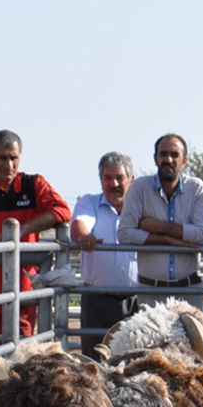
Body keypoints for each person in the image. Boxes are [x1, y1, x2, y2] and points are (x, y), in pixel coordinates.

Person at [0, 129, 72, 359]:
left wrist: (23, 229)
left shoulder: (34, 184)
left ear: (20, 157)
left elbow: (62, 211)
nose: (8, 164)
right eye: (2, 158)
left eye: (13, 158)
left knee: (20, 359)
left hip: (22, 291)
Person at [116, 133, 203, 311]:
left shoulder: (196, 188)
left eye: (175, 155)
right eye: (163, 154)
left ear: (184, 161)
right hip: (150, 290)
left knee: (191, 339)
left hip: (188, 290)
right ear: (155, 159)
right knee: (149, 339)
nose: (168, 159)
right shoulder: (140, 187)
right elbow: (124, 234)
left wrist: (158, 227)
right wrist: (167, 240)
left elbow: (202, 235)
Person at [72, 152, 139, 355]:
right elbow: (80, 223)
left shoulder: (141, 208)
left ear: (132, 180)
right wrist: (84, 236)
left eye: (119, 177)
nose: (114, 184)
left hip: (136, 300)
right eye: (107, 178)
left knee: (134, 360)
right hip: (97, 301)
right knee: (95, 362)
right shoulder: (89, 203)